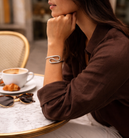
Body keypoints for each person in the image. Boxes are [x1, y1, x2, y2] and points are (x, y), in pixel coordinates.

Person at [37, 0, 129, 137]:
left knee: (38, 134)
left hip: (118, 129)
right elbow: (64, 86)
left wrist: (54, 43)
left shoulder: (115, 50)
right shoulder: (78, 35)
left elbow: (54, 107)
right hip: (96, 114)